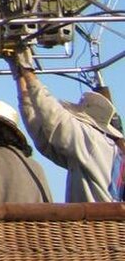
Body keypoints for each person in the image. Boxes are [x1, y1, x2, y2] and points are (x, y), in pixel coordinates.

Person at [7, 55, 123, 202]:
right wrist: (21, 77)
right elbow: (43, 135)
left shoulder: (93, 141)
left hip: (97, 223)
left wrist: (28, 73)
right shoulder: (103, 151)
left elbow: (55, 119)